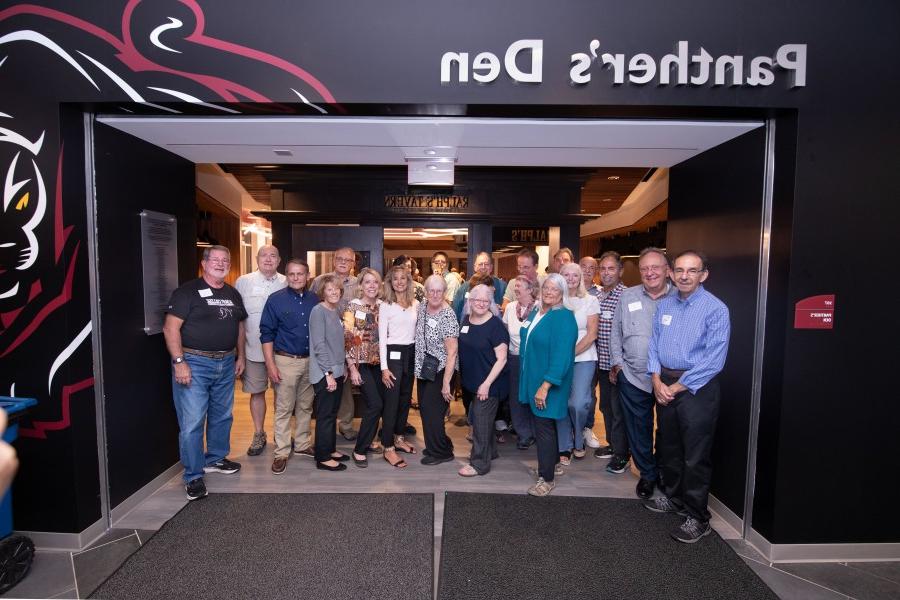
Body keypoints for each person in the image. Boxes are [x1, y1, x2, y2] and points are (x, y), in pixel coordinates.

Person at [644, 250, 730, 544]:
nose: (684, 275)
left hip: (696, 389)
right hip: (664, 383)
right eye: (679, 270)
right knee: (669, 447)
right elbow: (654, 344)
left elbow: (714, 360)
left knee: (695, 455)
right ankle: (675, 499)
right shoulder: (666, 305)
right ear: (671, 273)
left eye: (691, 271)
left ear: (703, 275)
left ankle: (697, 517)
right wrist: (656, 379)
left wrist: (677, 387)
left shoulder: (715, 309)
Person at [163, 245, 246, 501]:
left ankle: (215, 458)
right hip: (194, 362)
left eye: (225, 260)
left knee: (222, 416)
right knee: (192, 421)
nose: (220, 264)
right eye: (215, 260)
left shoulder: (233, 294)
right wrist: (179, 362)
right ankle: (193, 475)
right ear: (204, 263)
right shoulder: (186, 292)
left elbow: (240, 327)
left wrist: (239, 355)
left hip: (225, 362)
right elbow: (170, 328)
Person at [610, 247, 674, 499]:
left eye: (655, 267)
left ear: (667, 270)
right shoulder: (628, 296)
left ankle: (663, 470)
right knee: (639, 429)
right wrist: (618, 364)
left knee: (667, 431)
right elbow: (615, 330)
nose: (649, 273)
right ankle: (648, 474)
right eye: (645, 268)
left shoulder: (679, 297)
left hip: (670, 380)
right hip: (634, 375)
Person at [518, 274, 578, 496]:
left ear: (563, 292)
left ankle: (547, 479)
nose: (549, 292)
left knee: (543, 428)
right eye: (546, 288)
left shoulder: (564, 318)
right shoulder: (538, 311)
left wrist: (545, 386)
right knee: (544, 426)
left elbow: (562, 358)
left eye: (555, 289)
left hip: (549, 382)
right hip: (534, 376)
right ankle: (550, 465)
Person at [259, 259, 319, 475]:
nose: (296, 278)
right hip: (285, 361)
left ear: (307, 275)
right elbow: (266, 334)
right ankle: (281, 452)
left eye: (300, 274)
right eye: (292, 274)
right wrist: (270, 365)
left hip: (310, 361)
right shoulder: (275, 300)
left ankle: (302, 444)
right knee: (284, 408)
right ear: (287, 276)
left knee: (305, 406)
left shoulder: (314, 299)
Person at [234, 245, 286, 456]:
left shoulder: (287, 281)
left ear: (279, 260)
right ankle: (259, 433)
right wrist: (240, 354)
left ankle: (281, 434)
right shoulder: (244, 282)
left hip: (281, 351)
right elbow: (238, 320)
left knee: (283, 395)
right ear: (257, 259)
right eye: (264, 255)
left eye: (273, 255)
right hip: (252, 349)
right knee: (257, 392)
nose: (268, 259)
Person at [456, 284, 509, 477]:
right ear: (470, 301)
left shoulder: (495, 326)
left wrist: (486, 384)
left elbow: (502, 359)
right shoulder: (467, 320)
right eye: (477, 300)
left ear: (490, 303)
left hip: (490, 384)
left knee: (480, 422)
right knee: (483, 420)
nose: (481, 304)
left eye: (485, 301)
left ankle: (479, 464)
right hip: (472, 382)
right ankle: (491, 452)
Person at [311, 247, 359, 441]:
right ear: (333, 260)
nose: (343, 262)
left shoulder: (358, 284)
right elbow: (313, 307)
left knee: (345, 388)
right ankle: (323, 434)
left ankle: (346, 426)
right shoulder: (319, 281)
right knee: (327, 388)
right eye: (339, 258)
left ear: (353, 263)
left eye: (348, 260)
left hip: (348, 342)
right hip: (324, 340)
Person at [556, 263, 600, 463]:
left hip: (584, 357)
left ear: (581, 278)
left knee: (579, 403)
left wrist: (569, 354)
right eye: (566, 274)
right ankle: (566, 445)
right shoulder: (554, 300)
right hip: (557, 360)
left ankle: (579, 433)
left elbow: (592, 334)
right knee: (561, 401)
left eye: (575, 275)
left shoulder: (590, 301)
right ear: (560, 276)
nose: (571, 278)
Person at [414, 274, 459, 466]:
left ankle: (441, 453)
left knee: (433, 412)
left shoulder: (447, 315)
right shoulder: (422, 305)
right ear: (426, 292)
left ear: (444, 292)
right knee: (425, 409)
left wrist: (447, 382)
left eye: (438, 290)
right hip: (425, 368)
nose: (434, 294)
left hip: (442, 369)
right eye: (431, 290)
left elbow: (453, 352)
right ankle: (438, 444)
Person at [344, 268, 386, 468]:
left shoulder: (383, 306)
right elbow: (348, 339)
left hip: (381, 364)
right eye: (367, 282)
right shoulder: (353, 306)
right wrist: (352, 368)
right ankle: (359, 449)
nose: (371, 286)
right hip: (361, 365)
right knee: (375, 405)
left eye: (375, 282)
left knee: (376, 406)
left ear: (380, 286)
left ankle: (368, 441)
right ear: (360, 285)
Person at [594, 252, 631, 476]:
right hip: (602, 363)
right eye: (603, 269)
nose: (606, 273)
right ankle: (613, 444)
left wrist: (620, 363)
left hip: (618, 365)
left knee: (619, 411)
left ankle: (622, 454)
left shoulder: (626, 296)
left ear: (620, 271)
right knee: (606, 407)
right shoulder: (598, 296)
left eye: (611, 269)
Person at [309, 275, 350, 472]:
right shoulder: (318, 311)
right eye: (329, 289)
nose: (334, 292)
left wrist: (343, 369)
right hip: (325, 373)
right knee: (325, 415)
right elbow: (319, 345)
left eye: (337, 289)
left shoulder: (336, 310)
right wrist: (328, 373)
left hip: (337, 370)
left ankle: (330, 449)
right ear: (322, 292)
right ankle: (323, 457)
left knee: (332, 413)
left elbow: (338, 344)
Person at [379, 265, 419, 468]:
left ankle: (399, 438)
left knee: (405, 399)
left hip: (410, 354)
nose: (399, 282)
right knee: (392, 402)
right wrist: (384, 368)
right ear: (390, 282)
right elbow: (381, 339)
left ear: (408, 281)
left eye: (403, 278)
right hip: (392, 355)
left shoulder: (416, 304)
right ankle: (387, 447)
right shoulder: (385, 305)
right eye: (395, 279)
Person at [502, 275, 538, 450]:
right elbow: (505, 333)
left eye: (519, 286)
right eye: (515, 286)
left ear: (530, 289)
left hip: (533, 359)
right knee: (516, 397)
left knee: (532, 395)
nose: (515, 289)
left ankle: (536, 431)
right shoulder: (509, 307)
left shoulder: (539, 308)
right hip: (514, 358)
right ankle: (523, 433)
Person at [579, 255, 602, 449]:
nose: (587, 270)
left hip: (594, 351)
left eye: (591, 267)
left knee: (589, 393)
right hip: (571, 352)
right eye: (584, 266)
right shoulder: (567, 292)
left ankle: (587, 427)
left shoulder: (600, 294)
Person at [451, 252, 506, 318]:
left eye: (486, 264)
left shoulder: (502, 286)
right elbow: (456, 312)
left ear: (491, 267)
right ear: (475, 267)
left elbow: (507, 313)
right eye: (480, 264)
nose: (483, 267)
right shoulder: (464, 288)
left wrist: (501, 310)